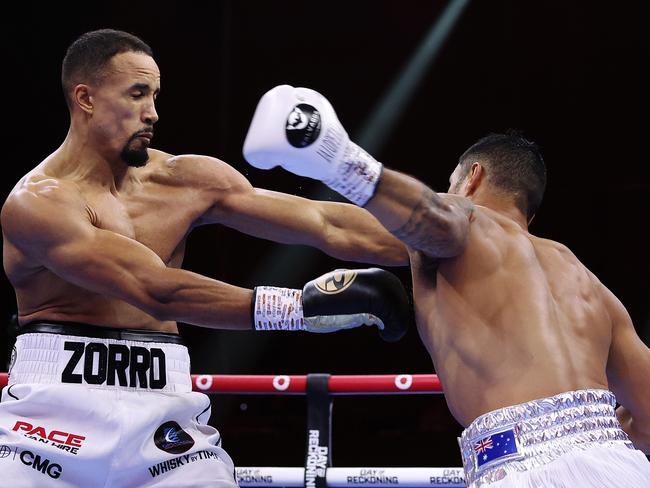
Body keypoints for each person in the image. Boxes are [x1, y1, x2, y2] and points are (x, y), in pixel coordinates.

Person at [0, 31, 413, 488]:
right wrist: (300, 308)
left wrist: (444, 237)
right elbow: (154, 290)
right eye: (137, 94)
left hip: (164, 418)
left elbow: (325, 222)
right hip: (47, 420)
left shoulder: (186, 180)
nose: (152, 112)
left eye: (155, 95)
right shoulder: (36, 203)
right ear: (86, 98)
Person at [242, 84, 650, 487]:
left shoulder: (466, 219)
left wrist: (335, 159)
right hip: (623, 466)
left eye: (451, 182)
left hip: (522, 471)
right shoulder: (589, 283)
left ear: (472, 178)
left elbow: (333, 223)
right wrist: (590, 448)